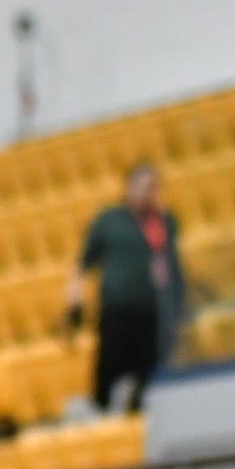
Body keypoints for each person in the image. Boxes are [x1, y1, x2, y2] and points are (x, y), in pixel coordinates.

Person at [66, 162, 186, 413]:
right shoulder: (109, 221)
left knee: (148, 372)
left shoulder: (163, 222)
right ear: (130, 188)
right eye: (146, 186)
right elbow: (83, 263)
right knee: (108, 370)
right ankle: (102, 410)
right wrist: (74, 300)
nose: (150, 193)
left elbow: (171, 265)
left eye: (154, 187)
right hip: (117, 312)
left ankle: (139, 409)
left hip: (152, 313)